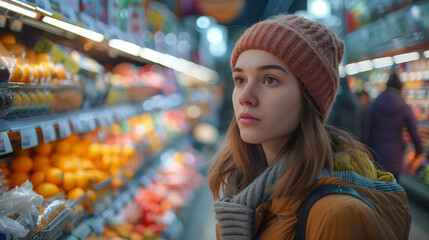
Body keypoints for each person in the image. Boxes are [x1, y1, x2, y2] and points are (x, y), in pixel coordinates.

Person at [207, 15, 411, 240]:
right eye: (240, 80)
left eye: (270, 79)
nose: (245, 97)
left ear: (309, 99)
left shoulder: (338, 217)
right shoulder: (242, 189)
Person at [368, 71, 423, 179]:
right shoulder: (404, 105)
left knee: (377, 191)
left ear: (387, 86)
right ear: (400, 87)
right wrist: (419, 150)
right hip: (395, 159)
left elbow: (367, 129)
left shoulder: (375, 103)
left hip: (376, 155)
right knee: (393, 191)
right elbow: (413, 131)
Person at [328, 77, 363, 141]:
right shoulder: (356, 101)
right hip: (355, 136)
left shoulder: (340, 101)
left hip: (343, 136)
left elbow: (334, 119)